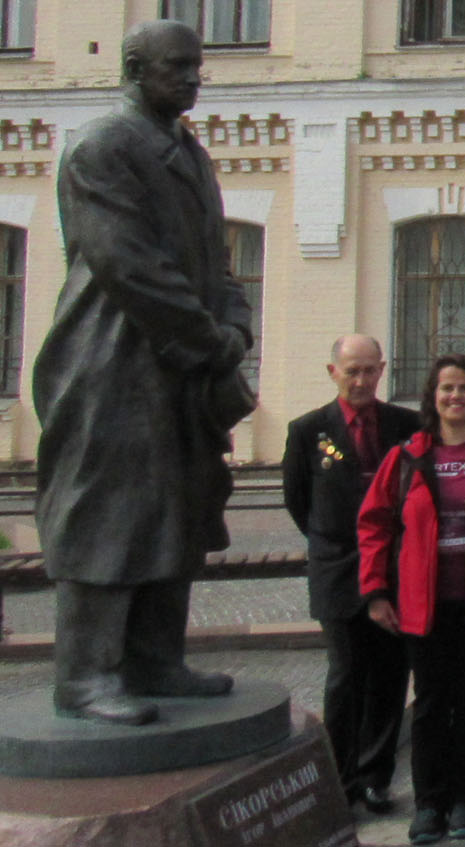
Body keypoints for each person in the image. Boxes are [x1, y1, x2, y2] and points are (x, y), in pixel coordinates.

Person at [34, 19, 254, 726]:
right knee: (108, 509)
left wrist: (235, 327)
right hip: (112, 363)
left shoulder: (189, 153)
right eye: (178, 66)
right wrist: (212, 340)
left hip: (179, 368)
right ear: (133, 66)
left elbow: (217, 262)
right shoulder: (101, 146)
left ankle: (156, 657)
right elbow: (128, 265)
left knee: (176, 509)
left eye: (197, 66)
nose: (193, 78)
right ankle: (87, 674)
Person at [358, 356, 465, 844]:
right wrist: (376, 591)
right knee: (429, 705)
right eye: (447, 388)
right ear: (433, 397)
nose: (456, 397)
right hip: (424, 607)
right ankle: (430, 803)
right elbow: (374, 525)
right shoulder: (407, 456)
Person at [283, 334, 422, 814]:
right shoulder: (307, 431)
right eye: (351, 371)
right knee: (345, 675)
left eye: (369, 370)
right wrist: (337, 543)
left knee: (389, 673)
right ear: (332, 372)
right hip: (338, 570)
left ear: (382, 369)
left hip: (395, 568)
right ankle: (339, 778)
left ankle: (375, 776)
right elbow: (299, 502)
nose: (361, 380)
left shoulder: (406, 425)